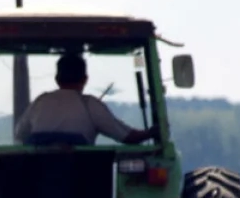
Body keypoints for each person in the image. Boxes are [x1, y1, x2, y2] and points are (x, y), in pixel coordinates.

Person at [12, 52, 156, 145]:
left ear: (57, 79)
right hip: (80, 177)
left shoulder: (40, 102)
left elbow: (20, 134)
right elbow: (127, 137)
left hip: (36, 178)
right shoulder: (90, 105)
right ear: (85, 79)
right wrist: (151, 133)